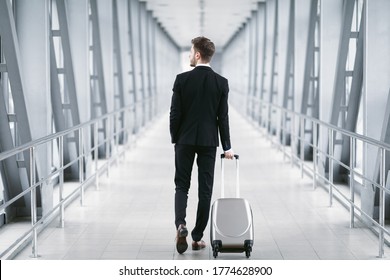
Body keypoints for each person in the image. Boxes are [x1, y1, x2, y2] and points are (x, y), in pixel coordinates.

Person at [169, 36, 234, 254]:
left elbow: (175, 114)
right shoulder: (221, 83)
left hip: (185, 140)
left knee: (181, 186)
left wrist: (175, 137)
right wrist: (227, 147)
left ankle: (181, 225)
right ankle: (197, 237)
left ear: (198, 54)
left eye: (190, 52)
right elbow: (222, 118)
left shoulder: (181, 80)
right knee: (205, 191)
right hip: (208, 142)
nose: (189, 55)